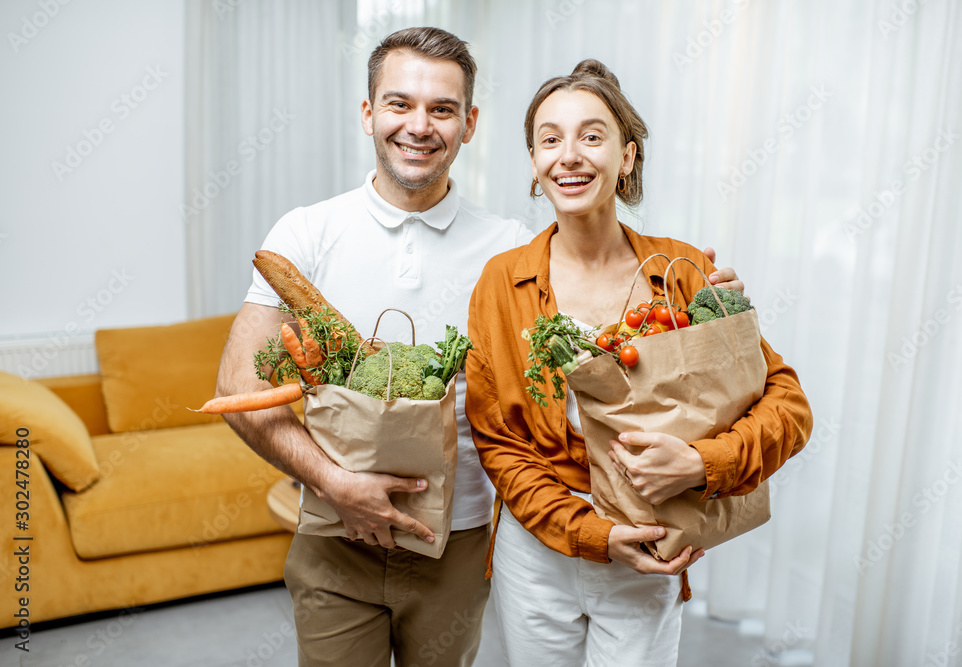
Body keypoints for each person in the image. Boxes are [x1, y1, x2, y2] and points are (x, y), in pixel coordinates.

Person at [217, 28, 743, 666]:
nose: (419, 125)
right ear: (367, 114)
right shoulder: (305, 233)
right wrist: (333, 481)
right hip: (336, 536)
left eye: (441, 109)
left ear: (469, 124)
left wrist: (704, 304)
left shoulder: (512, 253)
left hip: (456, 542)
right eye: (398, 103)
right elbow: (239, 391)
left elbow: (575, 394)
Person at [464, 59, 813, 666]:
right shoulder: (501, 283)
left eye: (591, 136)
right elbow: (498, 441)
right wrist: (591, 533)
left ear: (626, 157)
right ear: (533, 163)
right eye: (549, 139)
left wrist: (701, 463)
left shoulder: (680, 271)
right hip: (539, 551)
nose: (568, 155)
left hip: (651, 545)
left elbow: (788, 405)